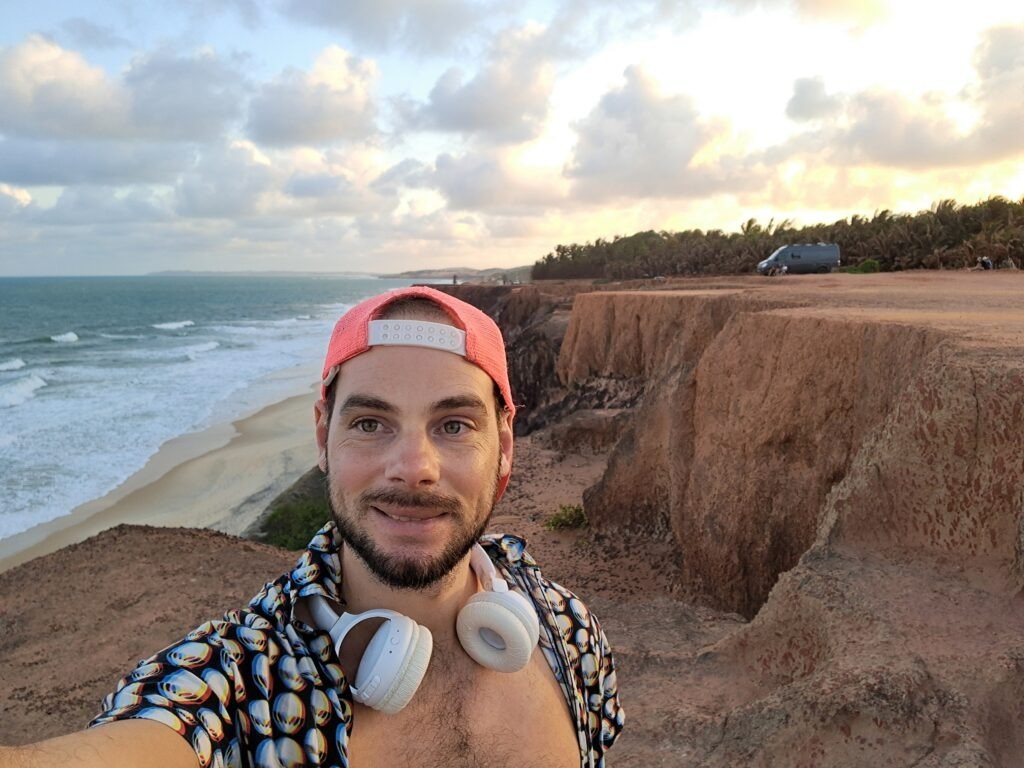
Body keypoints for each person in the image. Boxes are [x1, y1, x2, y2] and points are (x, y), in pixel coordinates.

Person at [1, 286, 623, 768]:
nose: (414, 468)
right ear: (323, 435)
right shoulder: (242, 680)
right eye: (371, 424)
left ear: (505, 446)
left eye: (454, 425)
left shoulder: (567, 632)